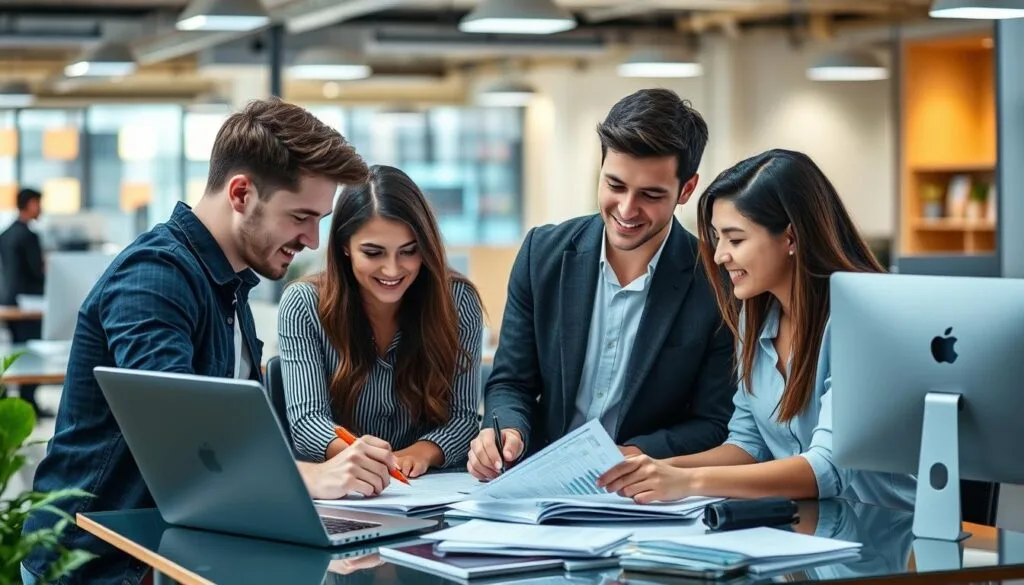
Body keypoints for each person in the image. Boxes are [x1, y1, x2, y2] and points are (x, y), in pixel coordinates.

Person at [21, 98, 396, 585]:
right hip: (95, 566)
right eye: (301, 216)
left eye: (320, 220)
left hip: (172, 552)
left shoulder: (228, 283)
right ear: (240, 193)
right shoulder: (155, 278)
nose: (311, 240)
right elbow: (184, 446)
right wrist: (311, 477)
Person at [597, 149, 916, 510]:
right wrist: (648, 471)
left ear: (791, 238)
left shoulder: (861, 320)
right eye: (718, 238)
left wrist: (686, 481)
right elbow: (748, 447)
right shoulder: (756, 318)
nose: (719, 256)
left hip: (879, 537)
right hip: (804, 538)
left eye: (735, 240)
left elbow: (826, 469)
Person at [467, 88, 736, 481]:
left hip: (643, 489)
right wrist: (508, 432)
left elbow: (714, 421)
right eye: (615, 185)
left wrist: (627, 454)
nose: (627, 209)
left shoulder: (717, 282)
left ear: (687, 190)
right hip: (539, 483)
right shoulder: (542, 254)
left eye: (650, 194)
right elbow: (511, 381)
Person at [278, 164, 483, 477]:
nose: (392, 269)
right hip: (343, 486)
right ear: (345, 247)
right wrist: (367, 460)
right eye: (373, 253)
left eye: (408, 251)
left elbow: (463, 419)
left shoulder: (457, 301)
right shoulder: (303, 305)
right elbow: (308, 422)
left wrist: (420, 453)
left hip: (431, 488)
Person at [0, 187, 49, 416]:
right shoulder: (29, 236)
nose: (41, 208)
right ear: (30, 204)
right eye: (38, 203)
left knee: (12, 353)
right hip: (29, 303)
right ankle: (29, 405)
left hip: (8, 300)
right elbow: (37, 272)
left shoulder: (6, 234)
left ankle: (10, 406)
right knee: (30, 355)